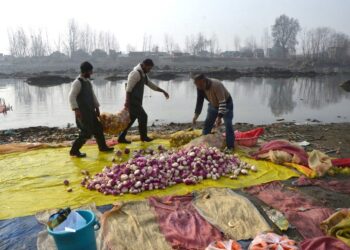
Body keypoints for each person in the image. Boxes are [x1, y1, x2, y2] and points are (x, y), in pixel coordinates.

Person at [118, 59, 169, 143]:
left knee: (131, 120)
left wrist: (162, 91)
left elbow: (150, 85)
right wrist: (127, 102)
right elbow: (128, 89)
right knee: (143, 116)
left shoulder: (143, 74)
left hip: (137, 102)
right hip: (133, 102)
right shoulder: (135, 73)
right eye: (149, 68)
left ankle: (121, 137)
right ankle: (144, 137)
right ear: (144, 65)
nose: (149, 70)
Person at [68, 61, 113, 157]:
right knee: (86, 132)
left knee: (98, 128)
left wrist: (96, 107)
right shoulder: (77, 82)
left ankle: (102, 147)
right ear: (85, 71)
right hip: (82, 113)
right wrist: (76, 110)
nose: (91, 73)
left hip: (91, 111)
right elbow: (71, 96)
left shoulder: (87, 82)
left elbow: (93, 96)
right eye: (90, 71)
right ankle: (74, 151)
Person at [192, 74, 235, 150]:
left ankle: (230, 147)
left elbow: (222, 102)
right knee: (207, 124)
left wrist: (219, 117)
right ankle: (204, 146)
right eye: (197, 86)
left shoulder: (216, 85)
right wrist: (196, 116)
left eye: (200, 85)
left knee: (228, 125)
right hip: (213, 105)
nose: (199, 87)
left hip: (226, 105)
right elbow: (199, 101)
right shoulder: (200, 87)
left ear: (204, 81)